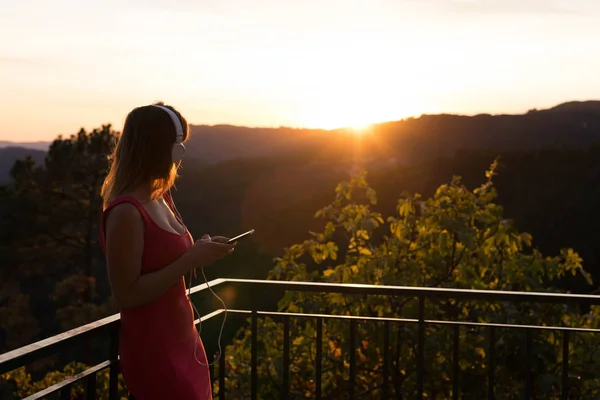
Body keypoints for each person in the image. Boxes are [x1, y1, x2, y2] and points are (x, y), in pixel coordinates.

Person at [99, 102, 235, 399]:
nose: (182, 153)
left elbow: (168, 258)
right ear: (154, 148)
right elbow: (127, 294)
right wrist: (190, 259)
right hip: (154, 348)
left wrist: (200, 250)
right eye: (176, 143)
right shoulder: (126, 212)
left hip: (184, 338)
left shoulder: (161, 198)